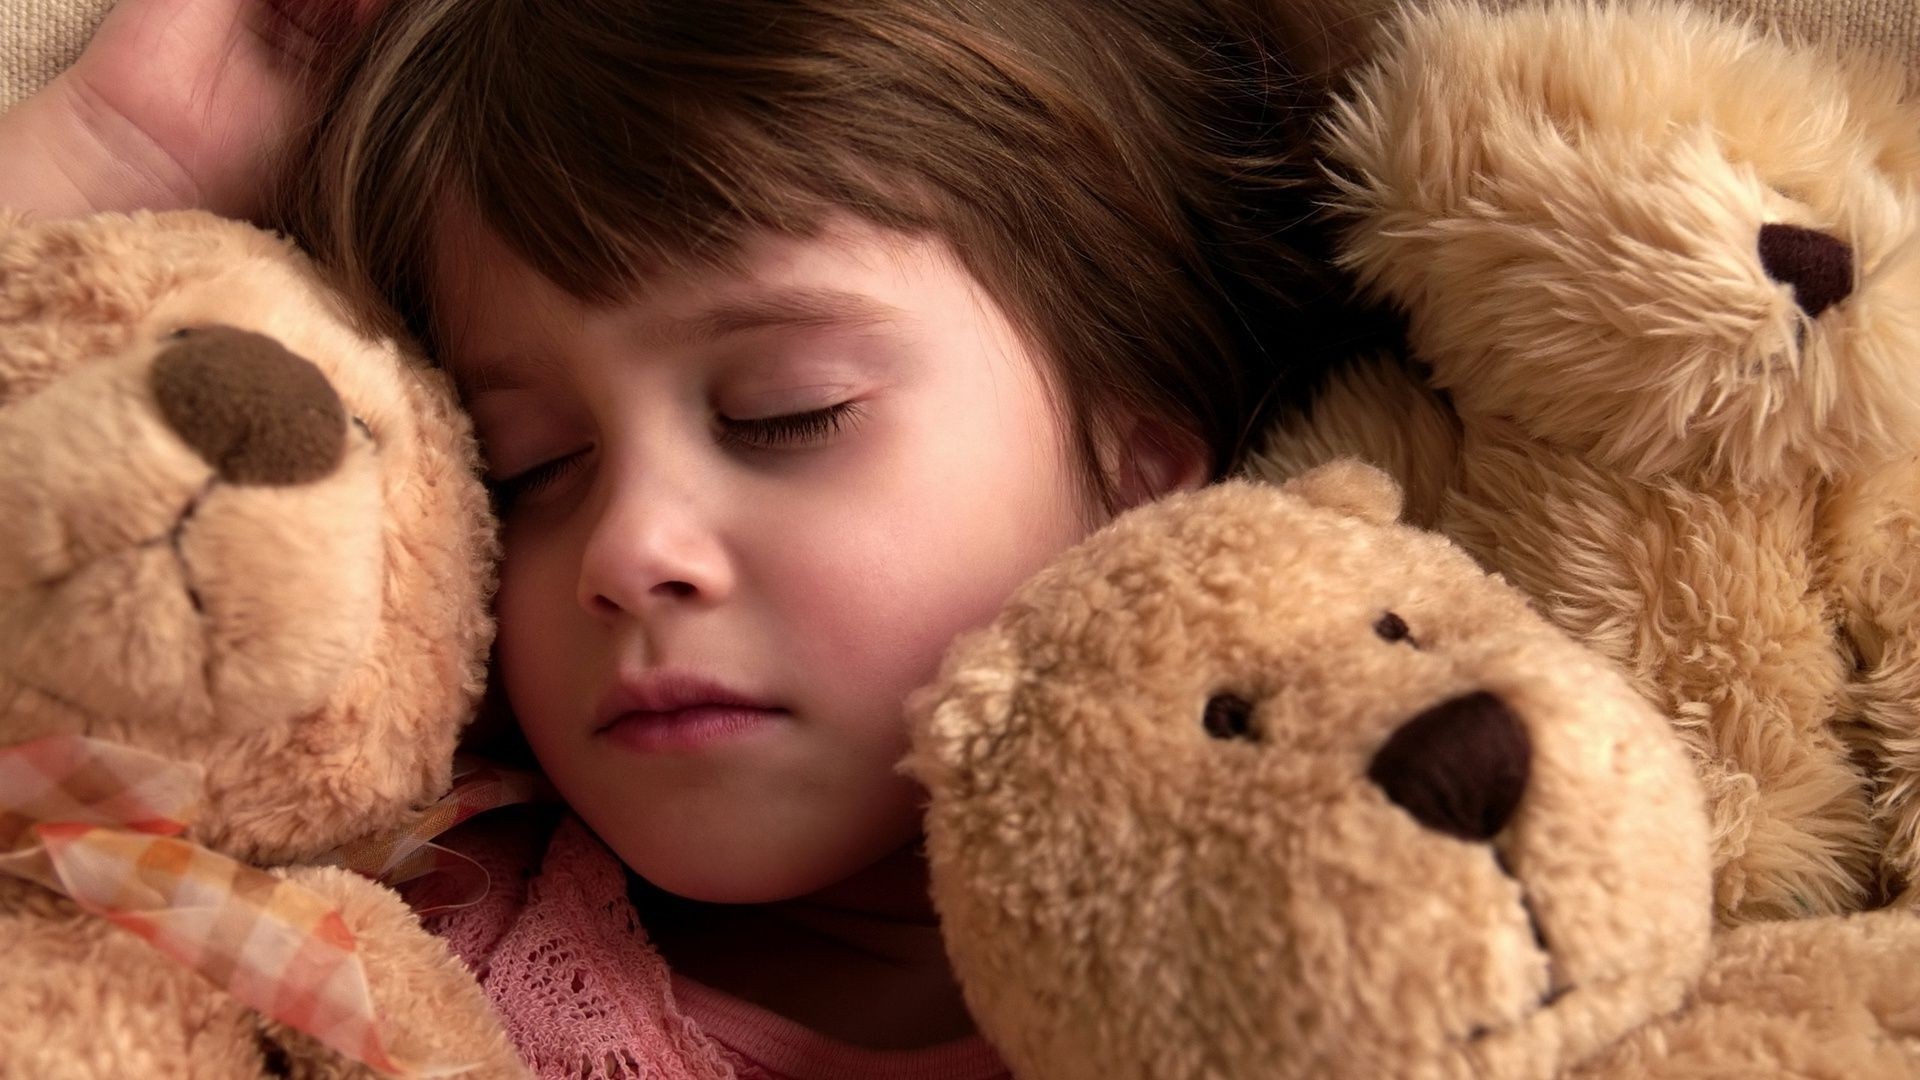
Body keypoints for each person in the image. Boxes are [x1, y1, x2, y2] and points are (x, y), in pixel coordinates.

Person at [0, 0, 1378, 1075]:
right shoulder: (395, 941)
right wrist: (112, 162)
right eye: (530, 465)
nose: (628, 547)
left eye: (785, 414)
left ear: (1141, 466)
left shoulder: (1342, 952)